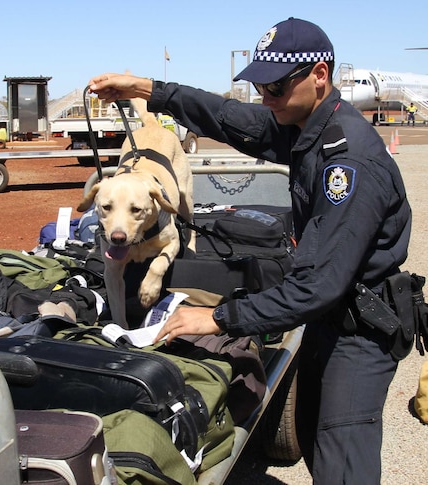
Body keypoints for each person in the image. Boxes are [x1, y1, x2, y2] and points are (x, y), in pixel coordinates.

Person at [88, 17, 412, 484]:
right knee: (313, 434)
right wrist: (145, 89)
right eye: (261, 86)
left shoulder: (348, 163)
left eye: (275, 86)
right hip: (329, 316)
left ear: (319, 75)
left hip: (358, 332)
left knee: (343, 459)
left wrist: (217, 318)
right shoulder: (305, 123)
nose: (266, 99)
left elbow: (319, 283)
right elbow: (227, 117)